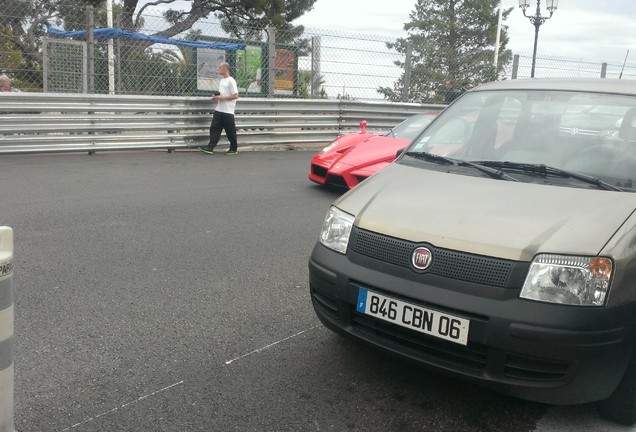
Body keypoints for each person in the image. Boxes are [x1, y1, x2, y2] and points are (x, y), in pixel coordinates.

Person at [199, 62, 239, 155]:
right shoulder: (222, 81)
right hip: (219, 109)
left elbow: (235, 95)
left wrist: (222, 98)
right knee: (214, 128)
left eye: (220, 67)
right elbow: (223, 94)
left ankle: (234, 148)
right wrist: (217, 96)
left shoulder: (231, 80)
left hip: (228, 111)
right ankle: (210, 147)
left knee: (230, 131)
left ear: (225, 68)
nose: (218, 68)